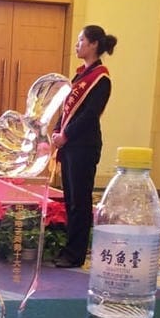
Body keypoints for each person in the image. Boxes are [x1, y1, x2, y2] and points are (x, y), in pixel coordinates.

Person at [51, 25, 116, 268]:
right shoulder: (80, 76)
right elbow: (67, 109)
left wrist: (66, 135)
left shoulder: (101, 79)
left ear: (94, 44)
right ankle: (69, 248)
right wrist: (57, 131)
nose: (77, 45)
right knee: (70, 199)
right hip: (70, 146)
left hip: (84, 146)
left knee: (80, 201)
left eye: (81, 40)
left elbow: (89, 115)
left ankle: (75, 254)